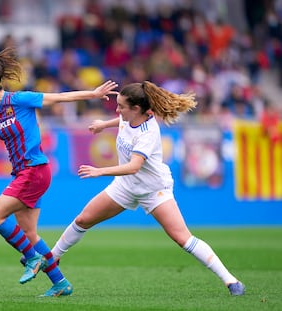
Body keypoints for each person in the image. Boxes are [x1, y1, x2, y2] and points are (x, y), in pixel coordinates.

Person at [0, 47, 118, 297]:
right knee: (30, 233)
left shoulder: (20, 100)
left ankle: (32, 258)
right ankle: (60, 283)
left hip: (35, 171)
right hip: (23, 173)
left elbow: (59, 98)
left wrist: (94, 93)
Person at [49, 81, 245, 296]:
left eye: (121, 106)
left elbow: (134, 166)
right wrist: (104, 125)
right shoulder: (130, 116)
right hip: (125, 186)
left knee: (182, 238)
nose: (117, 109)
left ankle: (231, 281)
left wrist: (99, 171)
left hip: (153, 190)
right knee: (83, 220)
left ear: (136, 109)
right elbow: (123, 122)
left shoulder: (148, 133)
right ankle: (52, 258)